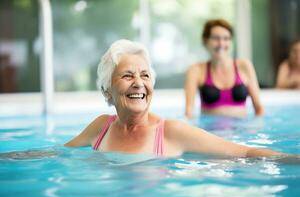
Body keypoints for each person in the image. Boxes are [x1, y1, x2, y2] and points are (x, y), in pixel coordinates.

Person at [64, 39, 284, 158]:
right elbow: (59, 152)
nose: (139, 83)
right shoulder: (101, 127)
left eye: (145, 75)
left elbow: (244, 152)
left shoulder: (171, 132)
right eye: (127, 75)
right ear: (107, 90)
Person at [184, 19, 264, 118]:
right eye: (216, 38)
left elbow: (259, 108)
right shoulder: (196, 70)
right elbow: (189, 112)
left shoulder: (244, 66)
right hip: (209, 131)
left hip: (242, 129)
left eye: (226, 38)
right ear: (205, 41)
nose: (221, 43)